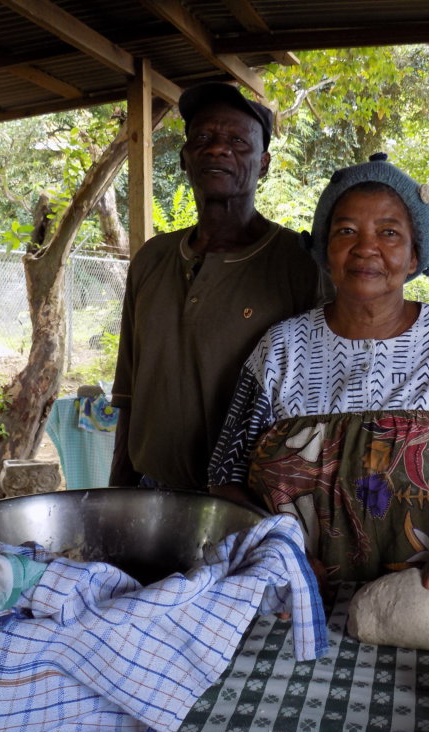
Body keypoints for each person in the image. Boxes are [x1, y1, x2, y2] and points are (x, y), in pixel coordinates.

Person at [208, 154, 429, 617]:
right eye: (345, 231)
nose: (365, 248)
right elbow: (225, 477)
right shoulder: (281, 347)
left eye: (388, 232)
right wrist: (279, 554)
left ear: (415, 255)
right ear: (324, 250)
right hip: (294, 605)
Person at [108, 83, 327, 491]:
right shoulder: (152, 259)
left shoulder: (299, 263)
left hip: (253, 500)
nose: (217, 149)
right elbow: (129, 395)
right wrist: (117, 496)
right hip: (152, 493)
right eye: (203, 138)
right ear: (184, 159)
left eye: (237, 141)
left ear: (263, 164)